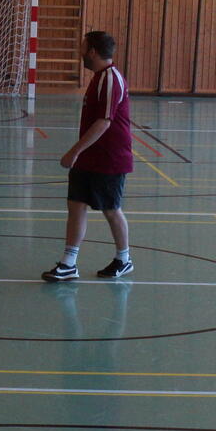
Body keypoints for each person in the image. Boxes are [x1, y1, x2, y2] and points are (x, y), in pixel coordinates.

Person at [42, 31, 133, 281]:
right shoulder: (98, 78)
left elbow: (104, 122)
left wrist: (74, 151)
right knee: (76, 205)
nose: (80, 52)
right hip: (90, 156)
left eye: (83, 47)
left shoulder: (110, 79)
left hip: (110, 157)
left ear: (92, 51)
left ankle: (124, 259)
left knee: (111, 209)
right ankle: (68, 263)